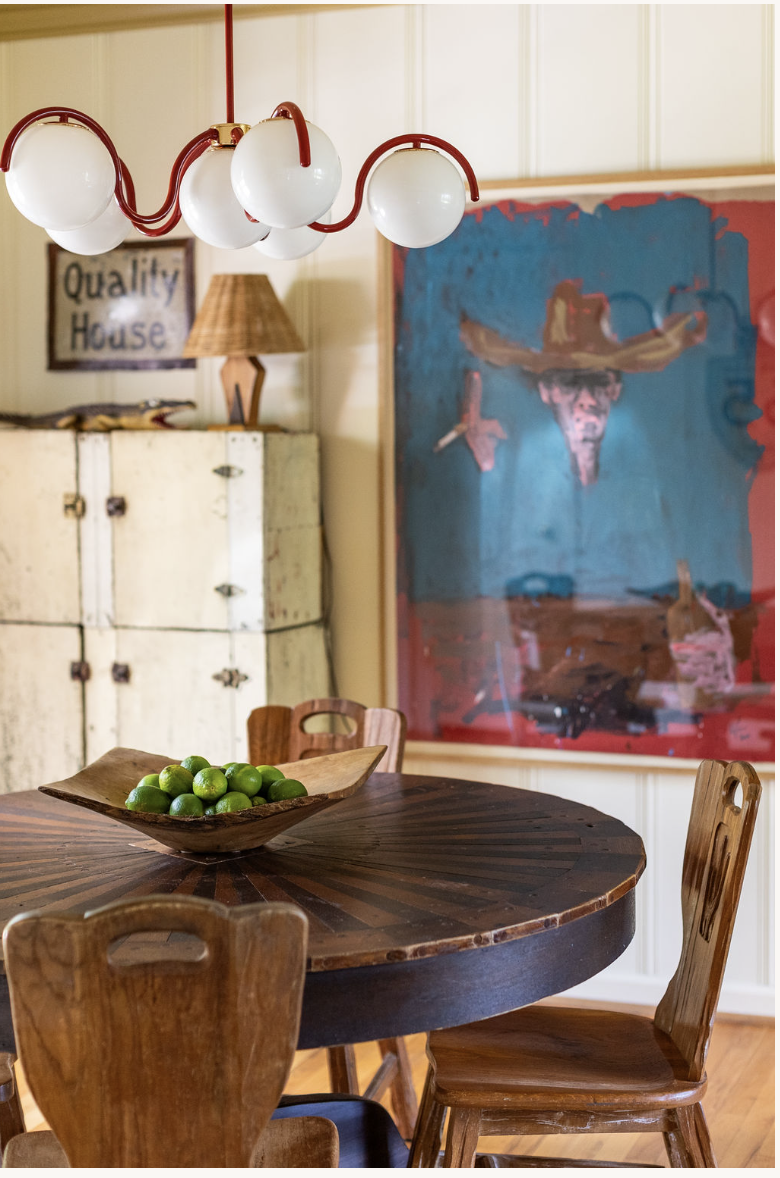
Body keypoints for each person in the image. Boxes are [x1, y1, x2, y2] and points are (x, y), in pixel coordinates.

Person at [460, 279, 707, 486]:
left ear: (614, 389)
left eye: (598, 382)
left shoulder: (647, 462)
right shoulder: (516, 450)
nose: (587, 400)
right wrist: (472, 415)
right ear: (546, 392)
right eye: (570, 384)